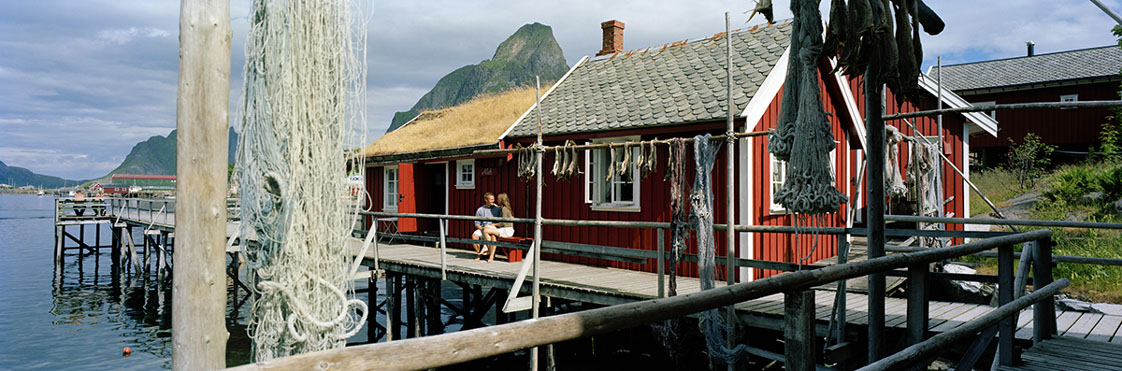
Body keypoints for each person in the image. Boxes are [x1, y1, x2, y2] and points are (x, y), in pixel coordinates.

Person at [482, 193, 515, 262]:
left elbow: (503, 222)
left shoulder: (504, 209)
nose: (496, 200)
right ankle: (491, 256)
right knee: (492, 235)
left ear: (501, 200)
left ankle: (486, 248)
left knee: (485, 230)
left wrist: (493, 225)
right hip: (503, 229)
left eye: (498, 199)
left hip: (507, 230)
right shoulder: (503, 208)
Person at [471, 192, 499, 260]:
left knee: (493, 236)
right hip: (483, 228)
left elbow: (501, 222)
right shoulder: (480, 210)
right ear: (486, 200)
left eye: (493, 199)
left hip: (493, 229)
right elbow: (477, 224)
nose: (493, 201)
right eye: (491, 199)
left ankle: (491, 256)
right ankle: (479, 254)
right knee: (474, 236)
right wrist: (482, 229)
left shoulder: (497, 209)